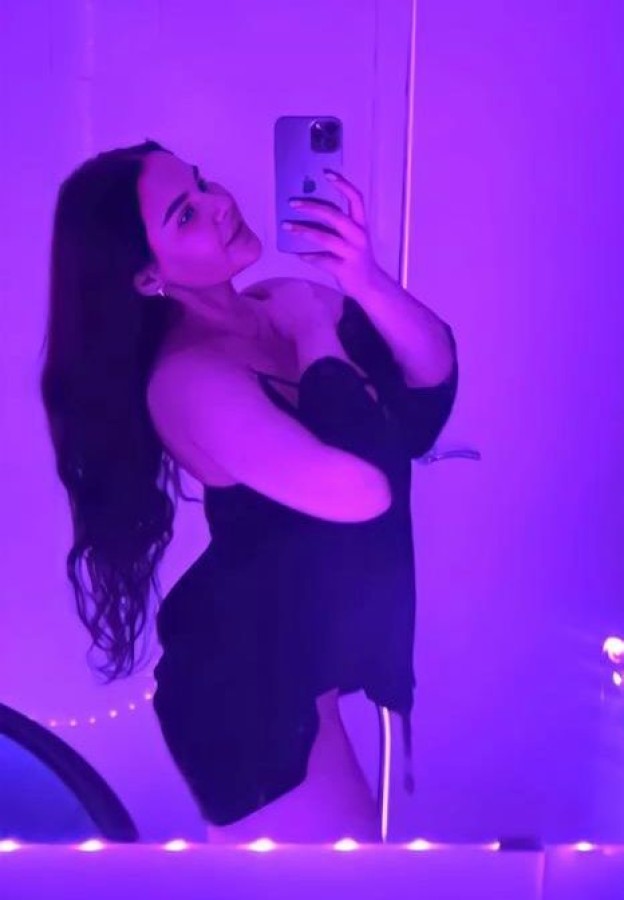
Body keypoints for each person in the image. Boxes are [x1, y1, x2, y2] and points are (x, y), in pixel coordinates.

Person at [40, 139, 458, 844]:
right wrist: (318, 334)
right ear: (148, 277)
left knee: (357, 878)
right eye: (184, 214)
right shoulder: (190, 380)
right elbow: (363, 493)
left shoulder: (279, 304)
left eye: (202, 183)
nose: (218, 204)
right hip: (246, 688)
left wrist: (362, 278)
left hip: (304, 650)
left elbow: (427, 387)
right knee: (340, 885)